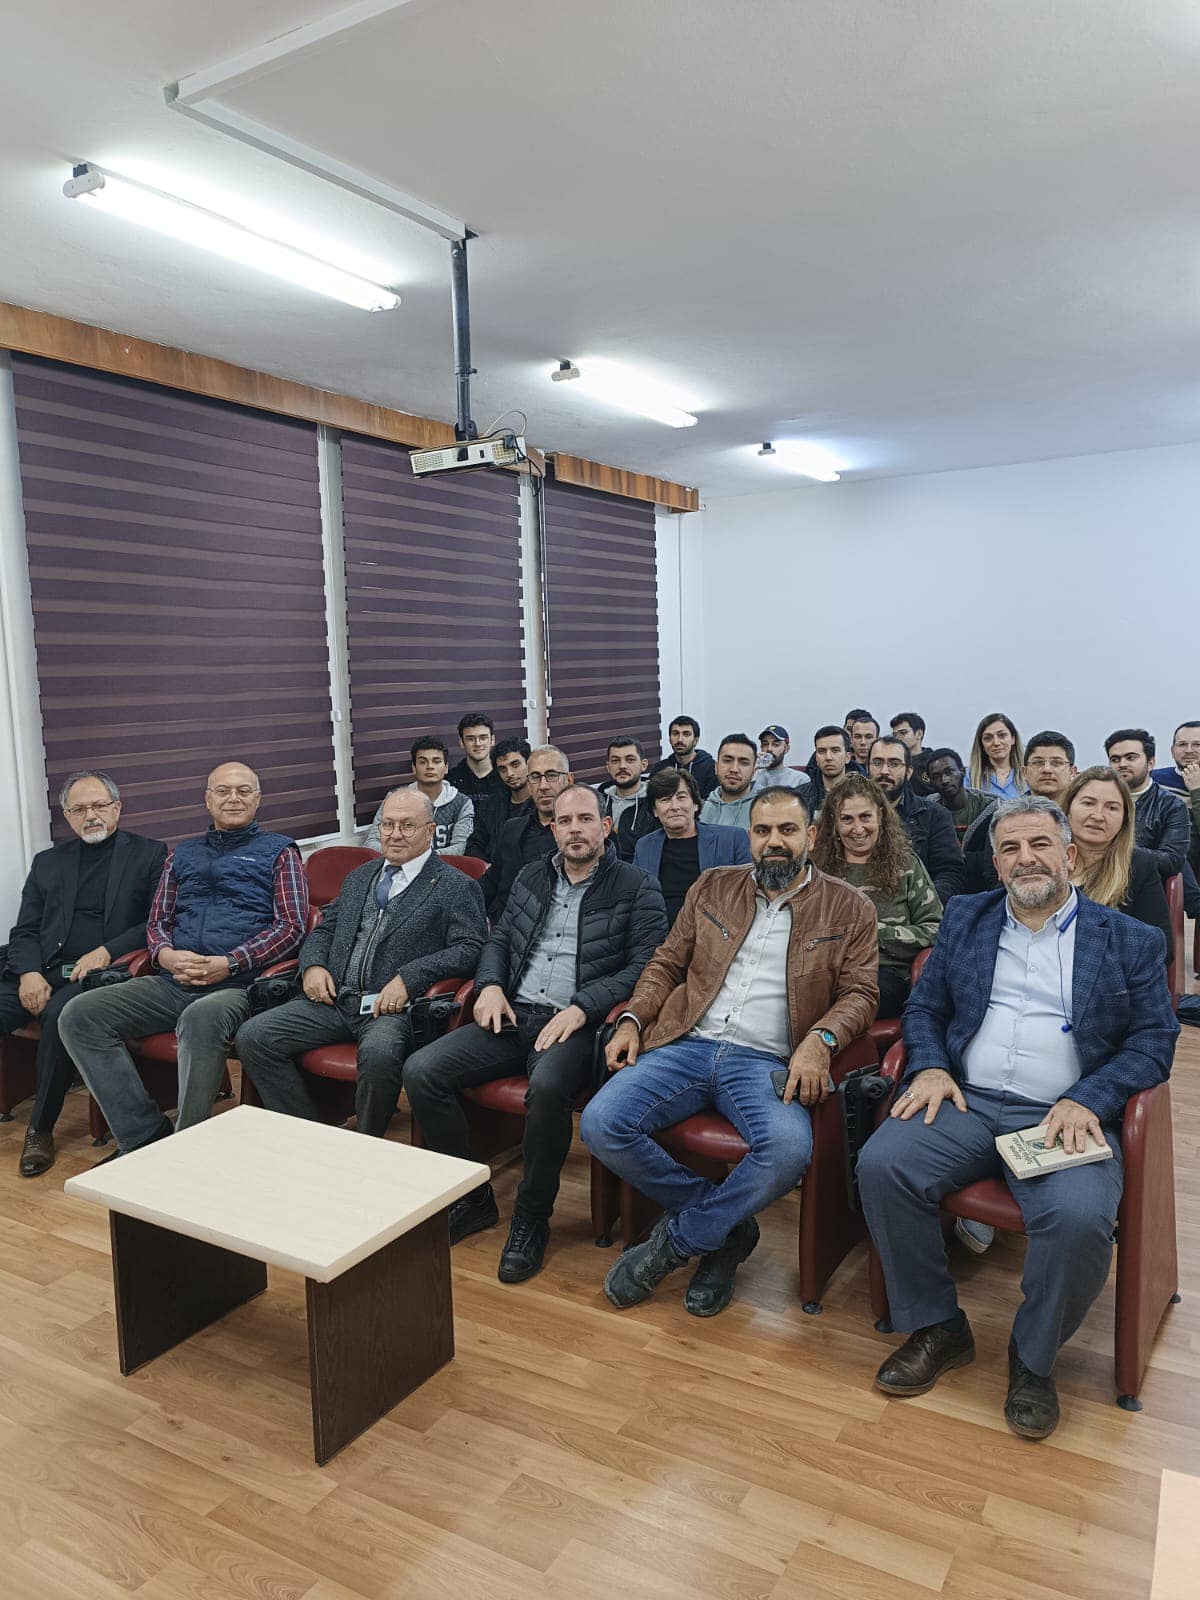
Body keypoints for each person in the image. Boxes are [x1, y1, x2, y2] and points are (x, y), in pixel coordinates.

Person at [857, 795, 1178, 1440]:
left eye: (1039, 845)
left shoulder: (1130, 940)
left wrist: (1090, 1097)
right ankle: (939, 1326)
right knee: (882, 1165)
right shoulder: (966, 917)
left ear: (1070, 857)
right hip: (967, 1099)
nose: (1025, 858)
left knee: (1079, 1219)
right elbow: (925, 1009)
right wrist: (930, 1066)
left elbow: (1153, 1041)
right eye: (1010, 848)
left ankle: (1033, 1358)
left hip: (1063, 1113)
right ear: (997, 863)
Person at [581, 786, 878, 1317]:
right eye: (762, 831)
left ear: (811, 837)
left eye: (787, 830)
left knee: (787, 1151)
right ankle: (726, 1230)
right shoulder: (714, 885)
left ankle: (678, 1243)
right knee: (601, 1123)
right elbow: (666, 963)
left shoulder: (848, 906)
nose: (774, 842)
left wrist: (822, 1039)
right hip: (687, 1044)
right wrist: (632, 1019)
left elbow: (861, 994)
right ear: (750, 837)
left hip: (767, 1061)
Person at [404, 785, 667, 1283]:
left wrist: (584, 1007)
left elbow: (647, 966)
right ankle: (472, 1196)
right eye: (565, 821)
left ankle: (531, 1217)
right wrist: (489, 985)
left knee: (546, 1089)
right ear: (553, 828)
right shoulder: (531, 874)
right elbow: (500, 938)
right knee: (422, 1070)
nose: (575, 830)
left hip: (576, 1025)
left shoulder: (638, 886)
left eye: (585, 819)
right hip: (514, 1014)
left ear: (605, 826)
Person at [59, 762, 308, 1156]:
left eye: (244, 791)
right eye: (222, 791)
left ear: (258, 799)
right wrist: (166, 954)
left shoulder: (280, 852)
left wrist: (230, 963)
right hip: (174, 980)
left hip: (240, 986)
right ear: (207, 800)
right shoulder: (182, 854)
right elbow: (157, 921)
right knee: (79, 1015)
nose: (233, 798)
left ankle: (185, 1148)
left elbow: (291, 927)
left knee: (199, 1017)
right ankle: (142, 1136)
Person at [235, 789, 487, 1137]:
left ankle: (367, 1142)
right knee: (254, 1036)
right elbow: (326, 929)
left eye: (407, 826)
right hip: (335, 1001)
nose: (395, 834)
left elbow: (470, 948)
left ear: (430, 831)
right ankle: (306, 1133)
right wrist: (312, 966)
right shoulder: (360, 877)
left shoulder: (455, 885)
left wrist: (409, 978)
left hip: (392, 1009)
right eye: (387, 825)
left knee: (380, 1054)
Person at [1, 773, 166, 1178]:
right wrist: (28, 973)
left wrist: (107, 951)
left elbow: (155, 923)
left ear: (117, 809)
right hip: (44, 970)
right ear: (67, 817)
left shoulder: (150, 855)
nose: (90, 815)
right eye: (79, 809)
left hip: (102, 974)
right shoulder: (47, 863)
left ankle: (40, 1129)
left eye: (99, 806)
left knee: (59, 1015)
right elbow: (25, 930)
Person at [811, 774, 942, 1019]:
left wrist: (873, 934)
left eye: (865, 817)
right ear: (834, 823)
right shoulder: (816, 869)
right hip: (827, 972)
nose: (857, 828)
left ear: (880, 816)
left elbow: (935, 929)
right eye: (847, 819)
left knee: (856, 995)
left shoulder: (906, 865)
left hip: (886, 973)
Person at [634, 768, 752, 926]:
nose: (674, 806)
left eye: (681, 797)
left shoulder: (732, 839)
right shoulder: (644, 846)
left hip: (715, 932)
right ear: (655, 810)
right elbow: (637, 901)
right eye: (665, 799)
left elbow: (748, 896)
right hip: (660, 933)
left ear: (695, 804)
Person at [962, 731, 1077, 893]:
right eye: (1038, 762)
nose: (1047, 769)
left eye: (1056, 763)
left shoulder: (1085, 819)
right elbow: (992, 877)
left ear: (1072, 772)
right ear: (1024, 772)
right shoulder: (1002, 818)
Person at [867, 737, 965, 902]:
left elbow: (950, 873)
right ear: (867, 768)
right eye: (877, 763)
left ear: (909, 771)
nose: (884, 771)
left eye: (894, 764)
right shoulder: (848, 814)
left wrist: (924, 905)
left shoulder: (934, 816)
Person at [478, 746, 571, 918]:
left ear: (569, 780)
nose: (543, 786)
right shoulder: (512, 828)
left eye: (551, 775)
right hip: (502, 923)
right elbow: (491, 881)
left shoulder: (581, 835)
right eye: (535, 777)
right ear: (528, 783)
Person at [364, 736, 473, 855]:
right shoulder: (395, 799)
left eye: (436, 761)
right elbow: (372, 843)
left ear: (446, 768)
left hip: (444, 865)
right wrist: (406, 856)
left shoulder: (462, 803)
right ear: (414, 768)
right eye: (423, 762)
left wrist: (424, 858)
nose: (430, 766)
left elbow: (461, 847)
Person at [1104, 729, 1189, 879]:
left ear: (1150, 763)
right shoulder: (1099, 799)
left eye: (1131, 758)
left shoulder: (1171, 805)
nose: (1122, 764)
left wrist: (1118, 850)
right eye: (1115, 760)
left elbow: (1171, 861)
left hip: (1146, 883)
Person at [464, 738, 532, 861]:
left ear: (529, 764)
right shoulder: (489, 806)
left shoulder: (542, 804)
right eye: (502, 769)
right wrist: (487, 867)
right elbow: (474, 845)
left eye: (515, 765)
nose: (509, 773)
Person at [597, 736, 655, 861]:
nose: (622, 766)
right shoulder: (596, 802)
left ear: (643, 765)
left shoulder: (656, 804)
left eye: (630, 760)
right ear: (608, 766)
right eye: (615, 760)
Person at [924, 748, 994, 843]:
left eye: (949, 772)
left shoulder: (988, 807)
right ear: (931, 782)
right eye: (936, 777)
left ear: (963, 771)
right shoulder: (927, 812)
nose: (944, 780)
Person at [699, 734, 763, 830]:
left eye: (744, 763)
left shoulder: (766, 809)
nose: (734, 769)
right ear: (716, 767)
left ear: (754, 771)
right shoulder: (700, 811)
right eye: (727, 761)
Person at [650, 716, 718, 799]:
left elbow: (711, 802)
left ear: (695, 741)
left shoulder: (710, 768)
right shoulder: (660, 768)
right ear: (670, 739)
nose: (680, 740)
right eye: (675, 734)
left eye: (686, 734)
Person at [447, 712, 506, 804]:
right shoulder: (451, 781)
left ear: (492, 740)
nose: (477, 744)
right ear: (462, 742)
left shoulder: (505, 776)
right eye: (470, 739)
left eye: (483, 738)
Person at [968, 713, 1025, 799]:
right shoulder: (969, 777)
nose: (996, 743)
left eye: (1002, 735)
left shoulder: (1029, 774)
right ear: (981, 744)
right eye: (988, 738)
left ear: (1013, 738)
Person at [802, 725, 853, 814]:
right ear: (816, 758)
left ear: (847, 757)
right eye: (822, 751)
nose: (828, 757)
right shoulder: (801, 796)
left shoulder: (863, 794)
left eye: (835, 750)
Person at [890, 713, 934, 796]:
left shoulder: (934, 762)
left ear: (919, 734)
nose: (897, 738)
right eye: (895, 735)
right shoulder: (891, 763)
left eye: (903, 733)